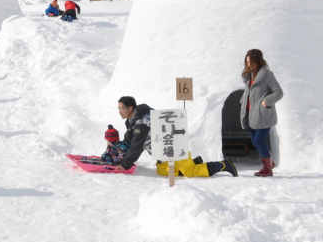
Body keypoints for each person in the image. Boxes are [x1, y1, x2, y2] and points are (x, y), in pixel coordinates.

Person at [114, 96, 237, 177]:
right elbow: (129, 140)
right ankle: (194, 162)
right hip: (164, 154)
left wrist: (125, 164)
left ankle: (224, 165)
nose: (119, 111)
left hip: (174, 150)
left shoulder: (143, 122)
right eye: (118, 108)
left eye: (121, 108)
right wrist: (116, 151)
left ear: (130, 108)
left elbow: (137, 146)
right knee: (163, 171)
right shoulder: (132, 121)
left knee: (189, 172)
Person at [241, 48, 284, 177]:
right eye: (247, 62)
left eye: (251, 62)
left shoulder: (267, 75)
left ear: (257, 61)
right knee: (255, 141)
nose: (248, 64)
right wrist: (243, 100)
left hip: (263, 115)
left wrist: (266, 101)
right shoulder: (250, 76)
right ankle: (270, 162)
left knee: (259, 140)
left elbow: (279, 92)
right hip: (252, 114)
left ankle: (267, 168)